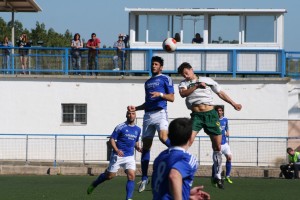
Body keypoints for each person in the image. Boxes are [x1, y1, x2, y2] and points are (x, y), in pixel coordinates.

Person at [177, 62, 242, 189]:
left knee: (217, 146)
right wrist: (196, 86)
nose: (186, 76)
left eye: (187, 72)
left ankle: (217, 175)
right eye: (183, 74)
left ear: (192, 69)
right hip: (196, 116)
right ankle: (179, 169)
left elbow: (220, 93)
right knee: (188, 141)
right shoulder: (183, 84)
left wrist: (234, 104)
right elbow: (183, 94)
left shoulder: (206, 80)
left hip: (211, 115)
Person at [127, 56, 175, 193]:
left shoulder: (166, 78)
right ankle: (144, 178)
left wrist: (160, 94)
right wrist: (136, 108)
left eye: (156, 64)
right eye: (152, 64)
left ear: (161, 67)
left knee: (163, 137)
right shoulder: (147, 82)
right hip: (148, 115)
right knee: (146, 148)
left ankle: (180, 153)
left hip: (160, 113)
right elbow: (147, 102)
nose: (153, 66)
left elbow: (172, 98)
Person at [86, 110, 142, 200]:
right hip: (118, 155)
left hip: (130, 156)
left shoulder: (138, 129)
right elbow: (112, 139)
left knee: (131, 175)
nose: (131, 115)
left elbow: (136, 141)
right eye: (129, 113)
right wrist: (117, 150)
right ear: (126, 115)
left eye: (133, 114)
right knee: (110, 176)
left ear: (135, 115)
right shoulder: (120, 127)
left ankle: (129, 198)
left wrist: (138, 148)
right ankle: (95, 183)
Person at [152, 118, 210, 200]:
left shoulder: (161, 156)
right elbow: (174, 175)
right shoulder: (188, 158)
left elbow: (163, 187)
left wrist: (187, 194)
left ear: (169, 136)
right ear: (190, 138)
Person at [211, 106, 233, 185]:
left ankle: (227, 176)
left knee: (229, 158)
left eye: (220, 110)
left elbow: (227, 127)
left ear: (222, 112)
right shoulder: (213, 120)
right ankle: (214, 176)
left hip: (225, 143)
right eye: (217, 111)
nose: (219, 112)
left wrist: (227, 131)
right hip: (218, 144)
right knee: (217, 162)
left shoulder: (225, 119)